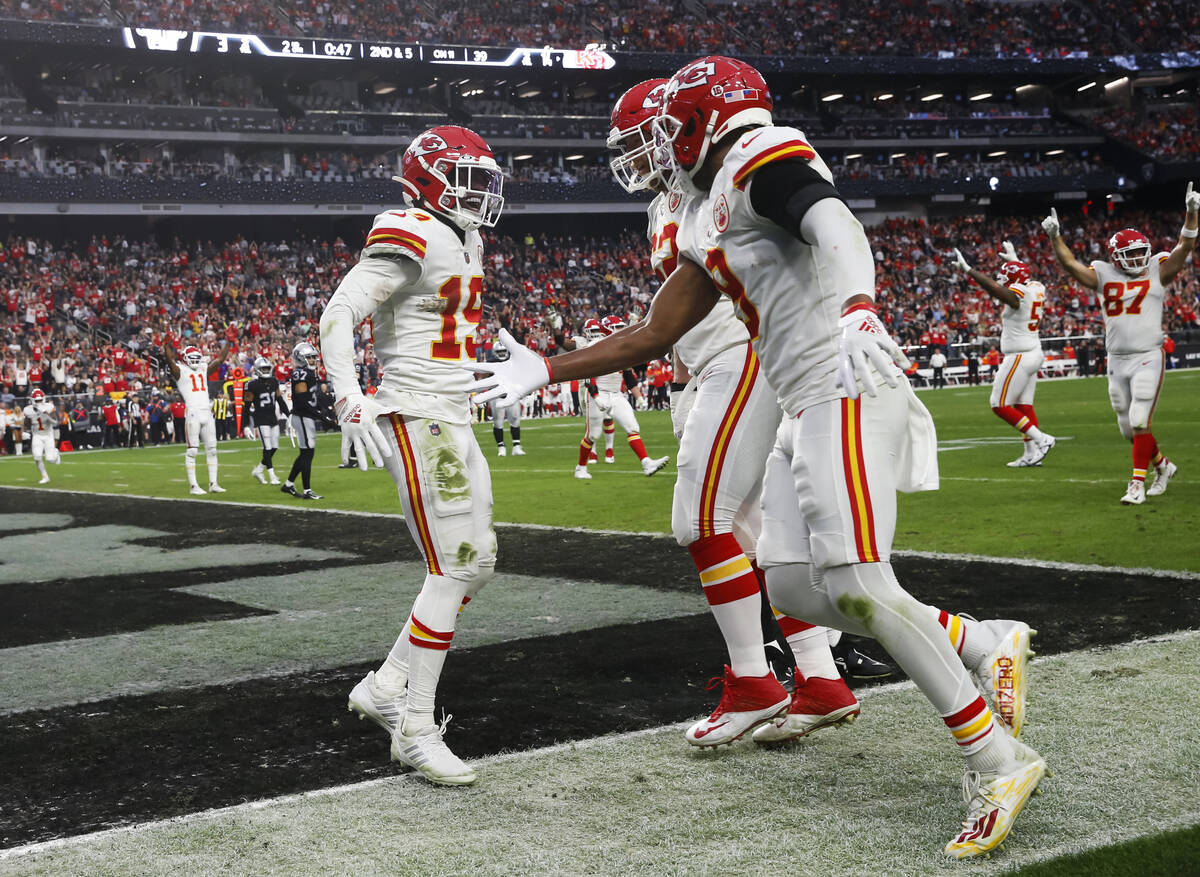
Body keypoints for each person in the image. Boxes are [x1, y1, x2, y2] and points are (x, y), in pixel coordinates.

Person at [473, 57, 1043, 858]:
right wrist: (548, 367)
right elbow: (655, 331)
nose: (664, 145)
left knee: (856, 584)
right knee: (791, 581)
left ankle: (995, 758)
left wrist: (857, 309)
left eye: (672, 124)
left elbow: (835, 224)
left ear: (707, 119)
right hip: (803, 400)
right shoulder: (708, 208)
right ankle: (986, 638)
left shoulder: (760, 154)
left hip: (840, 382)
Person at [608, 78, 876, 748]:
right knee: (757, 537)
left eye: (648, 139)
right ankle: (819, 676)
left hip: (744, 357)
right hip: (713, 364)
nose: (641, 158)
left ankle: (753, 681)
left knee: (698, 519)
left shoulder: (711, 185)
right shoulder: (673, 202)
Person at [320, 125, 505, 786]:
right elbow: (340, 311)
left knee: (478, 561)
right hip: (418, 416)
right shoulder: (411, 229)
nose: (479, 191)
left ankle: (388, 683)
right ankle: (415, 729)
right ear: (429, 177)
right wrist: (349, 395)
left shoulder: (466, 236)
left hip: (456, 415)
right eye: (465, 176)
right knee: (453, 563)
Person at [1042, 182, 1197, 504]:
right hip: (1116, 359)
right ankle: (1162, 466)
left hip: (1147, 356)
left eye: (1142, 251)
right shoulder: (1103, 273)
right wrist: (1055, 237)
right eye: (1132, 254)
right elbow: (1071, 265)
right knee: (1129, 429)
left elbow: (1185, 246)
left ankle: (1137, 484)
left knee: (1141, 420)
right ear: (1115, 256)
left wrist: (1192, 213)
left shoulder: (1158, 270)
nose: (1140, 258)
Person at [954, 243, 1056, 468]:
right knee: (1023, 405)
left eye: (1004, 278)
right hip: (1033, 351)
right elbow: (1022, 279)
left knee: (999, 404)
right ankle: (1031, 454)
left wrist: (969, 271)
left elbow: (1000, 291)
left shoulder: (1016, 295)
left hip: (1020, 354)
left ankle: (1042, 440)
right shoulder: (1037, 287)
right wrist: (1015, 259)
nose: (1000, 281)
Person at [560, 316, 669, 480]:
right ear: (608, 329)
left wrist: (638, 397)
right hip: (598, 393)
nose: (620, 330)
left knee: (632, 427)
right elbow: (587, 375)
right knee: (593, 435)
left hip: (616, 394)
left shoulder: (620, 347)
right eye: (617, 327)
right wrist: (596, 397)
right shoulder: (594, 347)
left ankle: (647, 463)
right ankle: (580, 468)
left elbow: (629, 375)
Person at [162, 331, 234, 495]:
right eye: (192, 357)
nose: (195, 360)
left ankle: (213, 483)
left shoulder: (202, 369)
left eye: (197, 357)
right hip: (193, 412)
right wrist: (166, 345)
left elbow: (220, 360)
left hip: (207, 412)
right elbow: (169, 360)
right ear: (185, 358)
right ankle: (194, 486)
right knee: (192, 450)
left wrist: (229, 342)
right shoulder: (180, 371)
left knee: (213, 449)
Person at [280, 341, 323, 500]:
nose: (313, 361)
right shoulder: (301, 373)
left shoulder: (307, 373)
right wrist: (321, 416)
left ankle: (289, 484)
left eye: (314, 358)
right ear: (301, 358)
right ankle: (307, 490)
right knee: (307, 453)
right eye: (310, 358)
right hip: (303, 416)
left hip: (305, 415)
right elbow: (303, 400)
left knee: (306, 453)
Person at [243, 355, 289, 484]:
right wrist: (246, 425)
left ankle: (259, 469)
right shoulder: (252, 385)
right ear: (257, 370)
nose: (265, 371)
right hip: (261, 418)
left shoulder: (274, 381)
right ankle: (272, 475)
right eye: (263, 369)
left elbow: (280, 400)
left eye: (267, 368)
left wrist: (289, 415)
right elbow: (246, 407)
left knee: (274, 447)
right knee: (267, 447)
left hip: (272, 418)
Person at [485, 342, 524, 456]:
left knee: (515, 419)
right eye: (499, 352)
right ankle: (501, 447)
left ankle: (516, 446)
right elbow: (488, 380)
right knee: (498, 422)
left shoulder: (512, 361)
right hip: (497, 396)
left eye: (503, 351)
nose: (501, 354)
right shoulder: (491, 363)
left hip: (511, 394)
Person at [23, 388, 59, 484]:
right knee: (37, 457)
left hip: (48, 435)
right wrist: (24, 431)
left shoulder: (49, 406)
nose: (38, 402)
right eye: (37, 400)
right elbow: (26, 422)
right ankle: (45, 476)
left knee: (50, 459)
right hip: (37, 435)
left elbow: (55, 421)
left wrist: (47, 414)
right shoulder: (28, 410)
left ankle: (56, 453)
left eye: (40, 400)